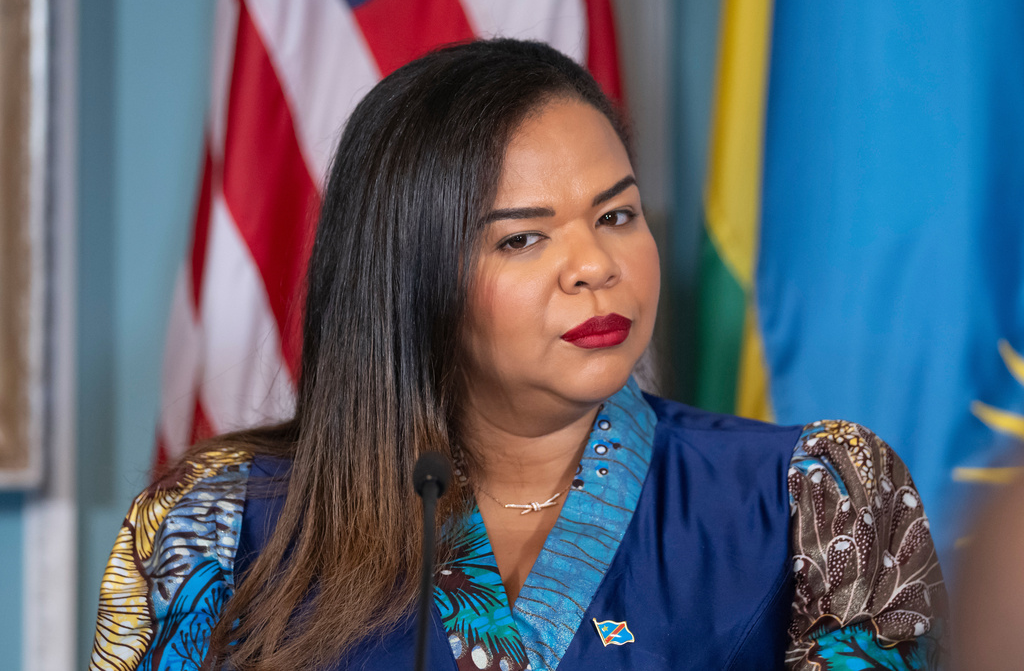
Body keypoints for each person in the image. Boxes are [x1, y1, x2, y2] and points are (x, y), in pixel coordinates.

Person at [88, 39, 946, 671]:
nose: (596, 266)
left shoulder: (811, 506)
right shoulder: (216, 531)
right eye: (524, 238)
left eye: (616, 215)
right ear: (410, 277)